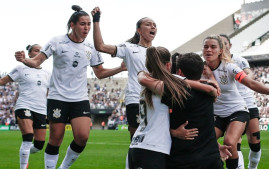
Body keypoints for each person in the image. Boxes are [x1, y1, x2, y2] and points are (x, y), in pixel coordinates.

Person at [15, 5, 125, 169]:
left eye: (88, 24)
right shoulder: (57, 41)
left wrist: (121, 68)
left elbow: (100, 72)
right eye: (82, 24)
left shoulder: (91, 47)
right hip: (57, 97)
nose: (86, 27)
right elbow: (36, 61)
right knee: (56, 139)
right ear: (72, 25)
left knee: (82, 137)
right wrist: (24, 60)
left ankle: (63, 167)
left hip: (80, 98)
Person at [129, 46, 221, 169]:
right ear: (168, 65)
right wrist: (209, 88)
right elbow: (184, 83)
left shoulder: (148, 81)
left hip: (137, 144)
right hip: (154, 148)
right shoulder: (170, 88)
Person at [202, 34, 269, 169]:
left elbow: (250, 82)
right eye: (206, 47)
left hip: (237, 110)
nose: (209, 50)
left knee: (230, 141)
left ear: (221, 50)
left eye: (213, 47)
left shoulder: (229, 67)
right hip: (216, 114)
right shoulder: (200, 68)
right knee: (203, 139)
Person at [91, 6, 157, 140]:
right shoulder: (128, 48)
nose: (153, 27)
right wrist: (96, 21)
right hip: (135, 97)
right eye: (148, 24)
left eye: (155, 25)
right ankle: (133, 160)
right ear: (139, 30)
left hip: (155, 99)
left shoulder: (158, 52)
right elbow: (100, 46)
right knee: (136, 136)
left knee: (153, 135)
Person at [0, 44, 51, 169]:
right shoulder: (21, 68)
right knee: (28, 137)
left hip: (40, 109)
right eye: (36, 50)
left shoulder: (47, 73)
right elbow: (2, 81)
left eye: (41, 51)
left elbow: (50, 93)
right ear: (29, 54)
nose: (39, 52)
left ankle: (25, 154)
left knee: (39, 145)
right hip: (24, 105)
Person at [220, 34, 262, 169]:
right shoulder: (215, 63)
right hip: (231, 106)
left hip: (248, 102)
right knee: (234, 142)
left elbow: (250, 74)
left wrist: (243, 78)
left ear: (230, 45)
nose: (223, 46)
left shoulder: (239, 60)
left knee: (255, 143)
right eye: (219, 43)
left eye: (225, 43)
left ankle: (253, 167)